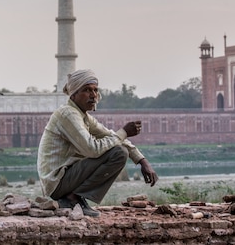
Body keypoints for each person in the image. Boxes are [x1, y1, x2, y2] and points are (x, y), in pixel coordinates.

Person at [37, 69, 158, 217]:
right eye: (87, 90)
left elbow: (110, 135)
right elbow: (92, 150)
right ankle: (72, 198)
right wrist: (124, 132)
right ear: (74, 94)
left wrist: (141, 160)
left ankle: (76, 198)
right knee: (118, 153)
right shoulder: (68, 114)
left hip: (64, 179)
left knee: (118, 148)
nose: (93, 95)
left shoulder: (83, 117)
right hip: (56, 182)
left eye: (95, 90)